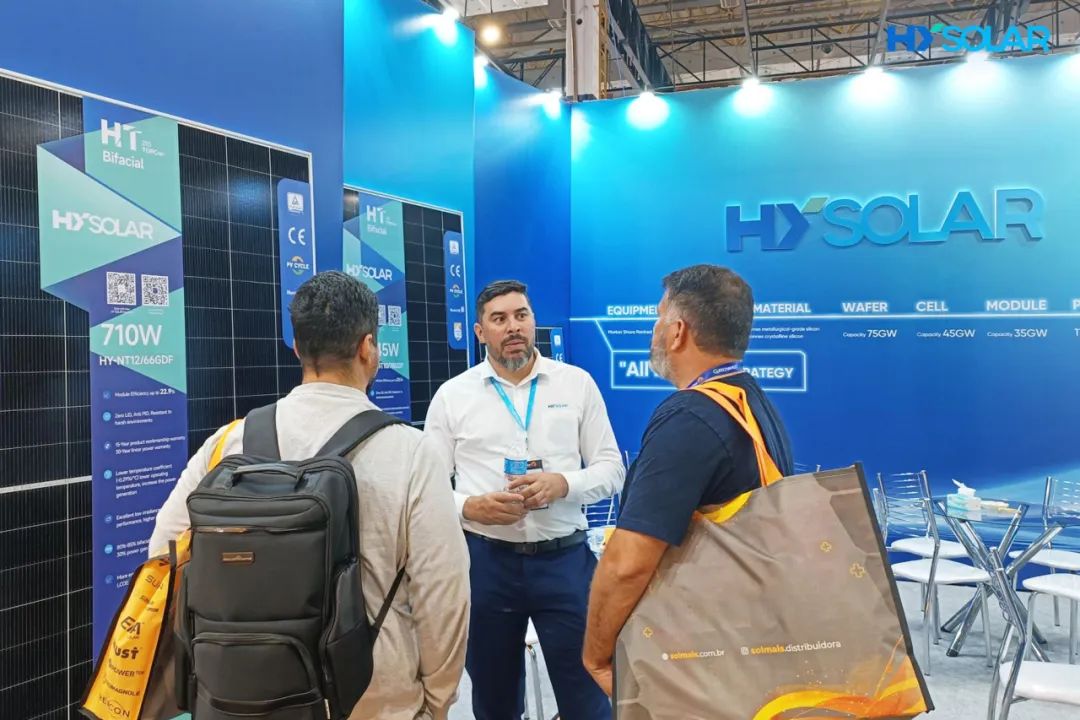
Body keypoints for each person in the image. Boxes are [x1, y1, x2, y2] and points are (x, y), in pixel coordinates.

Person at [148, 271, 470, 720]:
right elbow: (444, 596)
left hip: (239, 698)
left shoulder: (229, 442)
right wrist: (436, 701)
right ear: (368, 348)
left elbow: (163, 554)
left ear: (297, 347)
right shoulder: (411, 452)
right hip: (372, 699)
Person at [582, 264, 794, 695]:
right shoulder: (751, 401)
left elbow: (628, 564)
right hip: (748, 635)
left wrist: (596, 657)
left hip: (703, 651)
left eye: (658, 317)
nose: (654, 330)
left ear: (677, 331)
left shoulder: (689, 416)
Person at [424, 279, 624, 720]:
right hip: (486, 564)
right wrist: (469, 507)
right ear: (480, 332)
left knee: (588, 699)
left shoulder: (576, 385)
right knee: (494, 702)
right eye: (499, 319)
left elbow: (612, 469)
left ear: (533, 321)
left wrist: (563, 484)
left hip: (565, 562)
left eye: (521, 315)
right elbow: (428, 487)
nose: (513, 327)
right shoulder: (453, 396)